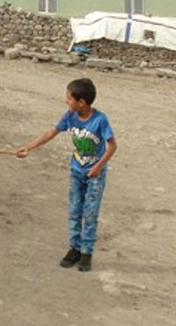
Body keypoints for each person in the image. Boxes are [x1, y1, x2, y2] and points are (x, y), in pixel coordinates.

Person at [15, 78, 117, 272]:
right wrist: (29, 147)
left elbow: (112, 147)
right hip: (77, 171)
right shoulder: (70, 116)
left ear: (82, 102)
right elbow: (51, 133)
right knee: (74, 211)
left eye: (69, 98)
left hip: (95, 175)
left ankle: (87, 252)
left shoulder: (100, 120)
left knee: (90, 213)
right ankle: (74, 249)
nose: (66, 102)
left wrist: (98, 167)